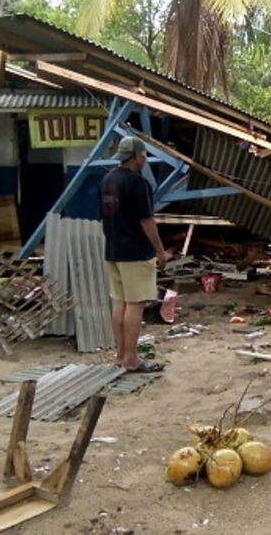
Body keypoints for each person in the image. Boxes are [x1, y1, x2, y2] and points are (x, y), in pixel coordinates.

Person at [100, 136, 166, 373]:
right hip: (135, 251)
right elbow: (146, 221)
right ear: (138, 156)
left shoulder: (107, 180)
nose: (144, 159)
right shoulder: (138, 183)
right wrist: (160, 251)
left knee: (120, 303)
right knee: (135, 305)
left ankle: (120, 355)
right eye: (143, 155)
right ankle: (131, 359)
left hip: (113, 249)